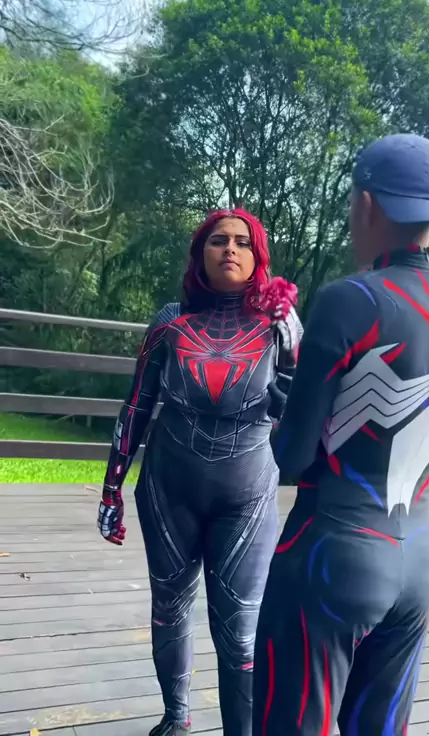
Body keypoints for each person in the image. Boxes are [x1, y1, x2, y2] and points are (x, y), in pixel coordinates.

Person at [252, 133, 429, 735]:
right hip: (419, 557)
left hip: (331, 550)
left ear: (367, 204)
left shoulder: (348, 300)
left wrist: (283, 411)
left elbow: (293, 458)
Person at [97, 208, 301, 736]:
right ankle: (176, 716)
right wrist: (111, 489)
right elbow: (137, 404)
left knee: (240, 630)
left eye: (242, 242)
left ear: (258, 257)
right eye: (217, 240)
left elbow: (299, 416)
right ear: (199, 253)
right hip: (168, 490)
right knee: (169, 607)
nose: (229, 249)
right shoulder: (170, 321)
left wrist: (291, 352)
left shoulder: (279, 325)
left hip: (247, 495)